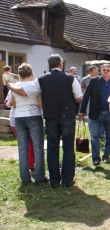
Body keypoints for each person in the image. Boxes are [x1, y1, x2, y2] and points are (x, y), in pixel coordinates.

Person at [8, 54, 83, 188]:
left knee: (52, 147)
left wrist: (11, 87)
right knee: (68, 148)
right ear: (61, 64)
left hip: (51, 116)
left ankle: (54, 181)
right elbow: (78, 97)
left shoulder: (41, 79)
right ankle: (67, 179)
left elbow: (26, 92)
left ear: (49, 65)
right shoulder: (71, 78)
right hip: (67, 115)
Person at [11, 63, 47, 185]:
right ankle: (39, 177)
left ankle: (25, 177)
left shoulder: (14, 86)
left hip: (19, 116)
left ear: (19, 75)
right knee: (38, 148)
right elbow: (40, 104)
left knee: (23, 148)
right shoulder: (34, 85)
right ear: (31, 74)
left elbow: (13, 103)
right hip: (34, 116)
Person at [79, 63, 110, 166]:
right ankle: (96, 158)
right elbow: (86, 96)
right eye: (104, 70)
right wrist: (82, 110)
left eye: (108, 70)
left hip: (109, 113)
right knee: (94, 135)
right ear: (100, 71)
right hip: (96, 113)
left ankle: (106, 155)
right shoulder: (94, 81)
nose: (105, 71)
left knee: (109, 136)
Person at [5, 90, 35, 175]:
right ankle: (29, 165)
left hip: (26, 118)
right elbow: (6, 103)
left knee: (30, 143)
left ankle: (31, 164)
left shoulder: (32, 86)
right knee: (25, 144)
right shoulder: (13, 88)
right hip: (19, 119)